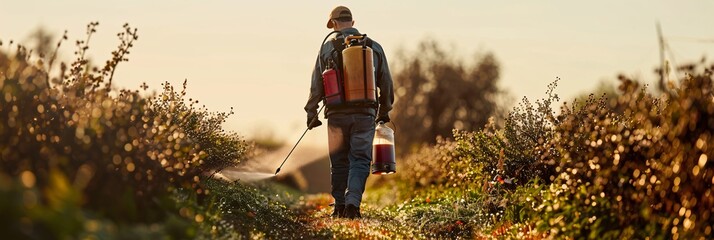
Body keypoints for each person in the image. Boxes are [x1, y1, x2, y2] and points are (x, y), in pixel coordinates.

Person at [304, 6, 394, 219]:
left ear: (333, 24)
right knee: (360, 160)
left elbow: (316, 84)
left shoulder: (326, 48)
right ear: (352, 23)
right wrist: (384, 110)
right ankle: (353, 203)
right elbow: (386, 82)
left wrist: (311, 112)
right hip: (365, 113)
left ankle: (339, 206)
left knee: (339, 161)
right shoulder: (374, 47)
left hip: (336, 114)